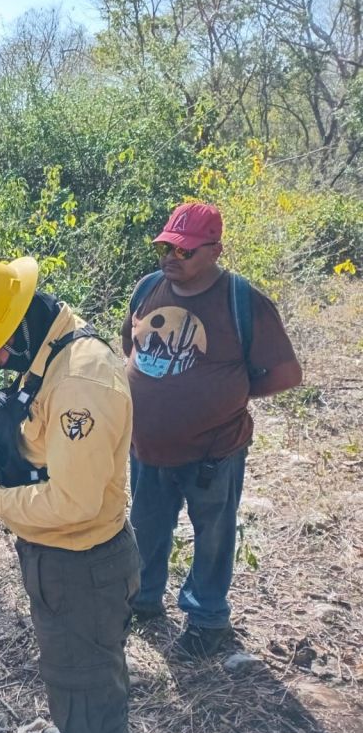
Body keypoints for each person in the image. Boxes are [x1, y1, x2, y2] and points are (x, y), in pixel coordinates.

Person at [0, 257, 139, 733]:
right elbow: (39, 433)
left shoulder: (80, 383)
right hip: (63, 560)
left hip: (82, 564)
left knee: (85, 673)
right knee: (74, 668)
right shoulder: (51, 347)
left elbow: (74, 501)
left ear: (21, 323)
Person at [122, 202, 302, 658]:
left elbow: (287, 373)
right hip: (147, 447)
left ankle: (207, 620)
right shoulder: (147, 288)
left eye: (184, 251)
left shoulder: (242, 301)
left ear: (215, 251)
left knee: (213, 535)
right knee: (146, 526)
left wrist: (228, 396)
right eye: (166, 247)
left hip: (213, 452)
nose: (171, 257)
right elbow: (132, 347)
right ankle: (144, 599)